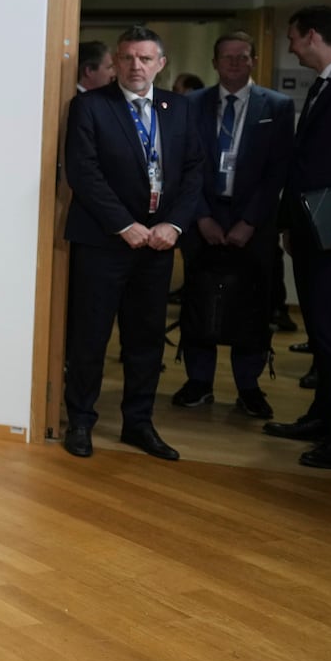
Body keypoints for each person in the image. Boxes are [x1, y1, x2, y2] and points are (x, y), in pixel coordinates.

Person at [62, 26, 204, 461]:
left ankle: (138, 424)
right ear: (116, 62)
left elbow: (196, 172)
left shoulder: (178, 108)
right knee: (89, 336)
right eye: (127, 58)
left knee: (145, 339)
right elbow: (83, 172)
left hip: (158, 244)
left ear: (161, 64)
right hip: (103, 242)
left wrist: (175, 226)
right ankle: (81, 421)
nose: (135, 66)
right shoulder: (89, 106)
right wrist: (123, 224)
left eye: (145, 59)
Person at [171, 32, 293, 419]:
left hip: (252, 222)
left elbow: (278, 171)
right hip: (201, 216)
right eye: (227, 57)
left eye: (243, 57)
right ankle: (199, 381)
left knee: (252, 303)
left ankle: (248, 386)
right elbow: (183, 164)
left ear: (254, 60)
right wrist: (202, 215)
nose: (235, 63)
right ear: (215, 62)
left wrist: (250, 222)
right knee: (198, 299)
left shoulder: (278, 105)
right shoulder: (191, 104)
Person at [263, 5, 331, 468]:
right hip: (313, 229)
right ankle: (322, 417)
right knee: (321, 331)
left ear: (312, 35)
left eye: (293, 38)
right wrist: (291, 223)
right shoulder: (326, 82)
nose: (290, 46)